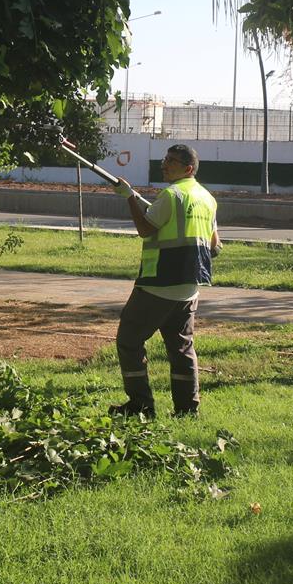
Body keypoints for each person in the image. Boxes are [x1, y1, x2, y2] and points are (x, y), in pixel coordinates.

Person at [110, 143, 221, 417]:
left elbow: (145, 229)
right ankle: (187, 409)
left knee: (129, 341)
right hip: (190, 288)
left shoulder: (171, 195)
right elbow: (216, 247)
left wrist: (129, 198)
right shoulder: (207, 198)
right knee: (181, 348)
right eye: (164, 159)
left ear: (188, 168)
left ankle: (140, 406)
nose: (164, 164)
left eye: (171, 161)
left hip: (158, 284)